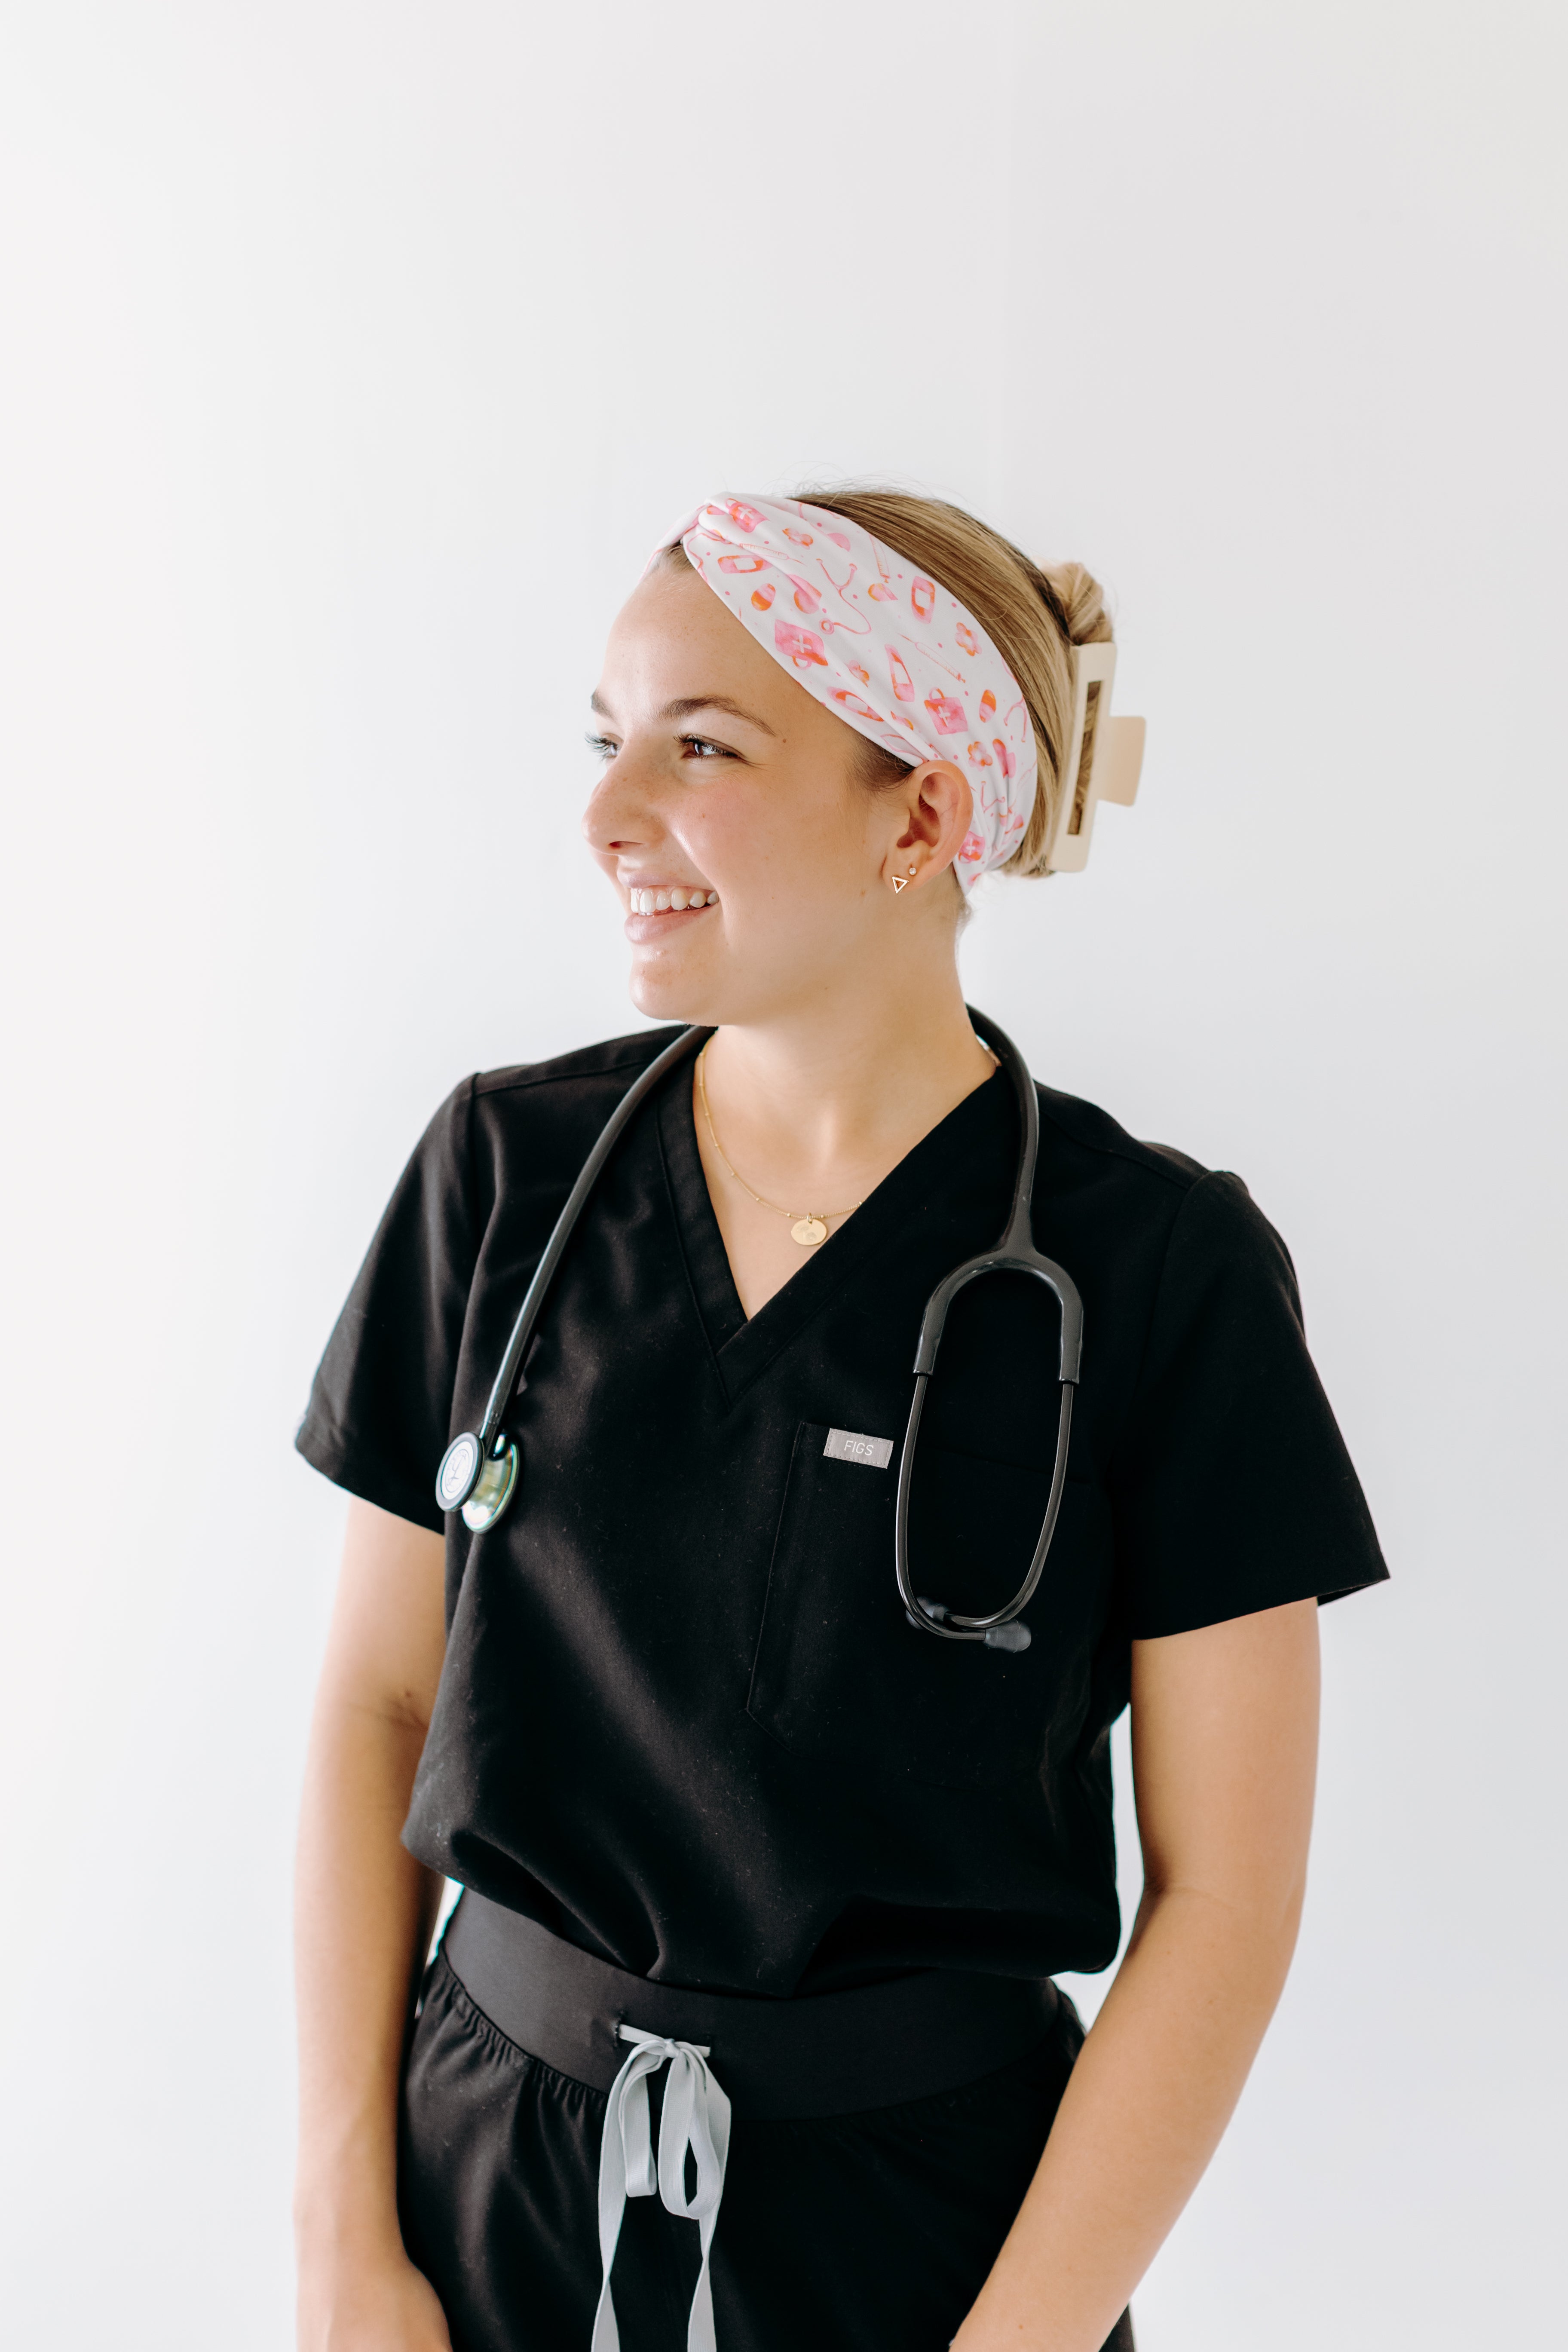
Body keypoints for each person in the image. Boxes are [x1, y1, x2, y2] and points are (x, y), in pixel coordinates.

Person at [291, 489, 1387, 2352]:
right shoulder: (508, 1173)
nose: (607, 812)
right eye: (606, 736)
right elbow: (379, 1708)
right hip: (481, 2193)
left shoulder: (1159, 1272)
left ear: (925, 816)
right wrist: (344, 2246)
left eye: (700, 746)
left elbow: (1227, 1896)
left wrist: (1014, 2346)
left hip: (931, 2252)